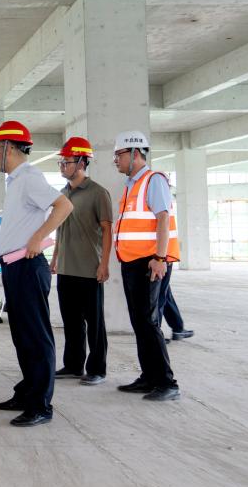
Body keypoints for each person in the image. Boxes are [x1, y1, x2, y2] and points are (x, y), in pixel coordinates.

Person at [0, 121, 73, 426]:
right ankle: (27, 393)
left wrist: (38, 237)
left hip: (27, 266)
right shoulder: (15, 182)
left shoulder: (29, 177)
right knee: (22, 336)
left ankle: (40, 405)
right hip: (14, 266)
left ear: (8, 148)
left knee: (36, 337)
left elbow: (64, 206)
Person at [113, 130, 181, 401]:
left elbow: (163, 218)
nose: (116, 160)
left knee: (149, 322)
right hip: (132, 261)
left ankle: (166, 383)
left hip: (150, 262)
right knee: (139, 321)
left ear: (134, 153)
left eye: (119, 155)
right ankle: (149, 377)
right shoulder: (131, 185)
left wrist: (160, 258)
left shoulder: (153, 180)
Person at [49, 137, 113, 386]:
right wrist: (55, 258)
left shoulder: (98, 193)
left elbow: (107, 230)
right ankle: (74, 365)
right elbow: (60, 230)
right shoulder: (62, 194)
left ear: (82, 162)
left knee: (94, 323)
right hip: (66, 268)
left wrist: (104, 264)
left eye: (67, 161)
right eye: (61, 162)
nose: (63, 166)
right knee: (71, 321)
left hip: (89, 269)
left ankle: (97, 369)